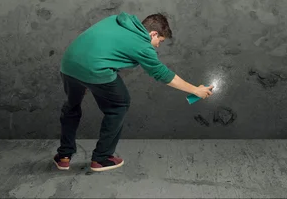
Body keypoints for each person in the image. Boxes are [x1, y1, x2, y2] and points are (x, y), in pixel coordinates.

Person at [53, 11, 214, 172]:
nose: (158, 45)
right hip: (95, 69)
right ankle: (101, 159)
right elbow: (162, 74)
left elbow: (99, 44)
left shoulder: (117, 20)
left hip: (69, 64)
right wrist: (195, 90)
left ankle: (63, 156)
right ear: (153, 33)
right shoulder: (143, 44)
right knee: (119, 105)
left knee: (72, 106)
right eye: (160, 41)